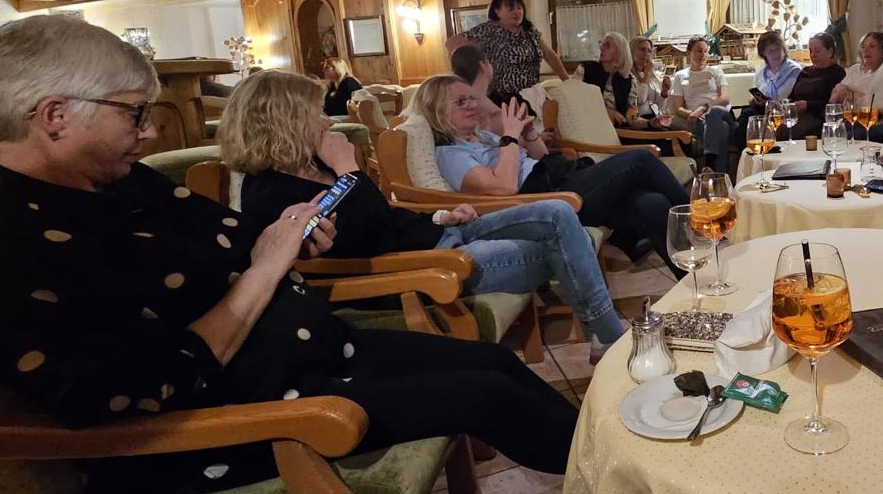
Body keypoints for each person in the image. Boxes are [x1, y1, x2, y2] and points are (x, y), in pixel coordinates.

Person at [0, 16, 577, 494]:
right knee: (486, 393)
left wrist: (289, 235)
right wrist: (266, 268)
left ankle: (615, 465)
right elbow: (128, 397)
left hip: (320, 355)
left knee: (495, 364)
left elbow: (239, 238)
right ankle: (617, 480)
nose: (150, 131)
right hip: (248, 418)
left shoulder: (129, 186)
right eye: (134, 113)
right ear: (54, 117)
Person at [224, 70, 626, 350]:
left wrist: (438, 216)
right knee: (568, 244)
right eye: (314, 113)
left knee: (557, 212)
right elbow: (371, 240)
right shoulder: (270, 192)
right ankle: (608, 337)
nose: (326, 122)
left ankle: (602, 336)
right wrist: (350, 172)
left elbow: (385, 214)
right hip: (425, 264)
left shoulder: (316, 165)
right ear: (284, 122)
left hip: (438, 234)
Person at [415, 75, 692, 278]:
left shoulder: (484, 136)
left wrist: (527, 133)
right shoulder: (450, 154)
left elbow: (541, 155)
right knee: (640, 160)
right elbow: (505, 188)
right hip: (545, 200)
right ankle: (700, 225)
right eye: (460, 101)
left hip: (559, 178)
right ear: (438, 110)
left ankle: (692, 280)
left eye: (471, 99)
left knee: (652, 204)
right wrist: (509, 136)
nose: (471, 106)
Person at [463, 0, 571, 105]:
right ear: (497, 11)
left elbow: (548, 54)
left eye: (519, 7)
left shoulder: (529, 30)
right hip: (502, 98)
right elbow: (454, 42)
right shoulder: (488, 30)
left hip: (532, 94)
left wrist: (568, 81)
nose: (517, 11)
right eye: (511, 8)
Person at [669, 37, 734, 172]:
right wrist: (695, 114)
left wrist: (703, 108)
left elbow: (725, 98)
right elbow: (679, 108)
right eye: (699, 51)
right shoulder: (680, 76)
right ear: (689, 53)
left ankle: (709, 161)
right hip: (700, 120)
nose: (703, 55)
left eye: (705, 51)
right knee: (722, 128)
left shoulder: (716, 71)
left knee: (713, 113)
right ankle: (720, 174)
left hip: (720, 111)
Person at [732, 31, 800, 143]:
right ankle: (745, 149)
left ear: (783, 49)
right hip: (762, 111)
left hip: (784, 112)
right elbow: (753, 97)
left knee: (747, 116)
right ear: (763, 54)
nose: (776, 54)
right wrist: (756, 100)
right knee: (748, 115)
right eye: (771, 51)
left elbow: (797, 96)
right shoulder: (760, 73)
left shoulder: (795, 71)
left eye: (778, 49)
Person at [779, 32, 847, 139]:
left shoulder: (837, 73)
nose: (813, 55)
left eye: (817, 51)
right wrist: (787, 104)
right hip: (796, 114)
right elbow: (791, 96)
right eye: (810, 51)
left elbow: (835, 105)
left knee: (791, 129)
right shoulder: (805, 71)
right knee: (770, 125)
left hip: (818, 117)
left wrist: (807, 105)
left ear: (830, 52)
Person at [581, 31, 635, 126]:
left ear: (620, 51)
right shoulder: (586, 69)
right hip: (590, 126)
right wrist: (606, 111)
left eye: (607, 45)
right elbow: (576, 99)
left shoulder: (629, 79)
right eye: (601, 44)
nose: (601, 48)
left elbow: (632, 114)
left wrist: (650, 123)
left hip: (619, 128)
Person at [830, 30, 883, 106]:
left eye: (872, 46)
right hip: (844, 111)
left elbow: (878, 104)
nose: (865, 50)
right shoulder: (855, 69)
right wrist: (840, 88)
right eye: (863, 47)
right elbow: (832, 99)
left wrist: (851, 95)